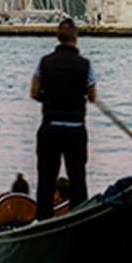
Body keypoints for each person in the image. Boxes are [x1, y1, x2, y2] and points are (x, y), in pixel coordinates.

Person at [29, 17, 95, 214]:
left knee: (46, 178)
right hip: (75, 129)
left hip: (50, 127)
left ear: (58, 37)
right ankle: (78, 216)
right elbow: (92, 96)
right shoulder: (85, 65)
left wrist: (49, 98)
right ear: (75, 37)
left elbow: (33, 92)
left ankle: (44, 219)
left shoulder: (44, 62)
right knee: (77, 177)